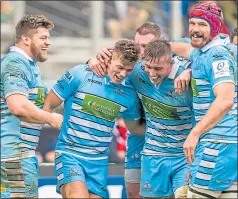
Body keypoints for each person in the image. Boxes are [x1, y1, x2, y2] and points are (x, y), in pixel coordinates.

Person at [90, 22, 193, 198]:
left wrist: (190, 71)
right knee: (134, 193)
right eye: (138, 45)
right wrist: (93, 60)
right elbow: (109, 67)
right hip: (147, 143)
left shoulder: (183, 68)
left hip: (181, 148)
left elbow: (209, 54)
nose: (141, 51)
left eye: (145, 46)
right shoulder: (136, 69)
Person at [43, 39, 145, 198]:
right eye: (119, 67)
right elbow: (48, 104)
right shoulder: (80, 74)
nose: (123, 74)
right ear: (109, 59)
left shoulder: (129, 95)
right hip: (70, 154)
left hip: (99, 162)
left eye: (129, 70)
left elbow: (135, 129)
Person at [171, 2, 237, 198]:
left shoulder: (217, 56)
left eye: (202, 24)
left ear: (215, 28)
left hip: (217, 142)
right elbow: (180, 48)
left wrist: (194, 134)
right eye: (192, 23)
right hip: (221, 142)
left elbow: (225, 100)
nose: (195, 29)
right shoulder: (202, 52)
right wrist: (151, 47)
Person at [1, 14, 63, 198]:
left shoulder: (29, 65)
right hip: (13, 157)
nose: (48, 42)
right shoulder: (14, 63)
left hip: (19, 154)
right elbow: (18, 107)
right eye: (43, 37)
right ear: (25, 39)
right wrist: (51, 118)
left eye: (49, 38)